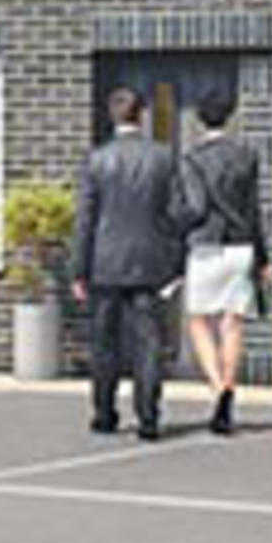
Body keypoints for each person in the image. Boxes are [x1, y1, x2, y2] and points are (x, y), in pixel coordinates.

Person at [66, 87, 187, 439]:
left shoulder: (97, 159)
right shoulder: (164, 158)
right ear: (141, 115)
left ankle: (105, 414)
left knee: (104, 343)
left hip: (105, 262)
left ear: (112, 115)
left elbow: (85, 218)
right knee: (148, 342)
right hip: (150, 262)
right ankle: (148, 417)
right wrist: (174, 258)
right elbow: (178, 212)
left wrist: (79, 269)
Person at [173, 87, 271, 437]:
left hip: (205, 247)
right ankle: (230, 386)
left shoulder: (192, 159)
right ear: (229, 115)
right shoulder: (246, 155)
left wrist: (175, 223)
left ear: (201, 118)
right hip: (241, 245)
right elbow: (254, 210)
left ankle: (218, 387)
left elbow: (194, 209)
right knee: (233, 323)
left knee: (199, 321)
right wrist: (263, 258)